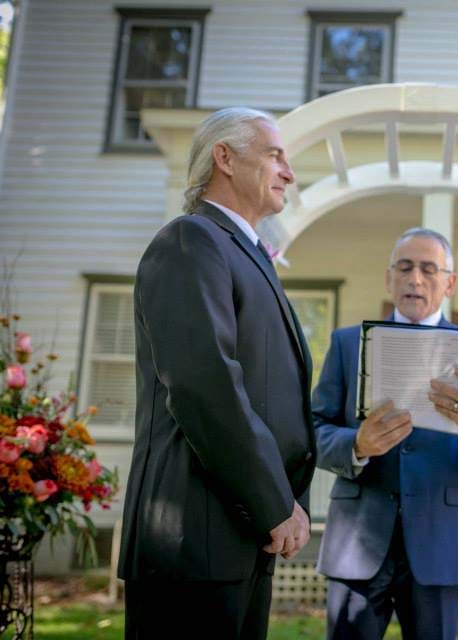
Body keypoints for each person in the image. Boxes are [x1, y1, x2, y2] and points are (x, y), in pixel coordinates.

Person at [118, 107, 316, 640]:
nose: (288, 172)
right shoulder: (190, 241)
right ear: (224, 158)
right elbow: (205, 386)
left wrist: (287, 503)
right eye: (275, 155)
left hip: (244, 531)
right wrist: (275, 503)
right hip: (193, 536)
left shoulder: (245, 254)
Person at [313, 227, 458, 640]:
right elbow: (314, 430)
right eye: (405, 268)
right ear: (389, 277)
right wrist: (355, 445)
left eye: (429, 269)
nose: (415, 279)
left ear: (450, 282)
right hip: (358, 538)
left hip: (440, 541)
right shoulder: (346, 343)